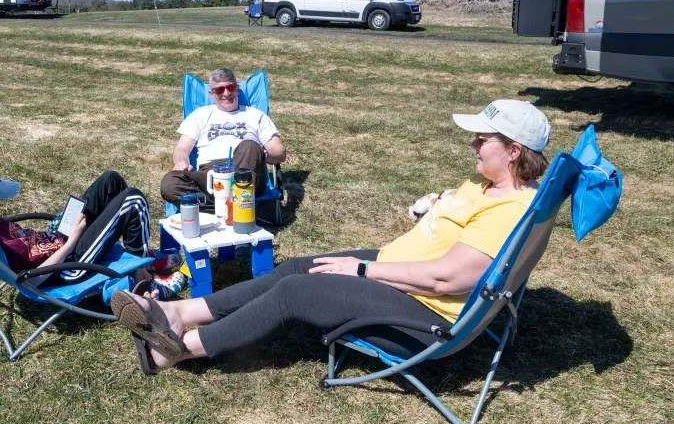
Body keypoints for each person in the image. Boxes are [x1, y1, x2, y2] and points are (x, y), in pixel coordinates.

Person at [113, 99, 551, 373]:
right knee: (301, 266)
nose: (473, 146)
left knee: (297, 293)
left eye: (482, 140)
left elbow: (448, 281)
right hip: (400, 271)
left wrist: (361, 270)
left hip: (423, 315)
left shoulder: (509, 209)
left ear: (513, 152)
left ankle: (181, 348)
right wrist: (441, 203)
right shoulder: (489, 184)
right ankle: (181, 311)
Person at [0, 162, 151, 285]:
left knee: (110, 180)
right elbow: (31, 280)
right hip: (68, 265)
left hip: (59, 239)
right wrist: (72, 240)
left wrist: (60, 230)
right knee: (133, 200)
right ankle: (141, 274)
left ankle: (127, 254)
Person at [158, 68, 287, 211]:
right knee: (170, 183)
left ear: (236, 88)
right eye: (219, 90)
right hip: (210, 174)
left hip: (245, 170)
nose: (226, 93)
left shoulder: (256, 115)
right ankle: (227, 208)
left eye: (230, 87)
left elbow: (279, 151)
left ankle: (226, 206)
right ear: (211, 94)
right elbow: (182, 148)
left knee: (249, 146)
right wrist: (181, 161)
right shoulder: (200, 115)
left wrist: (264, 154)